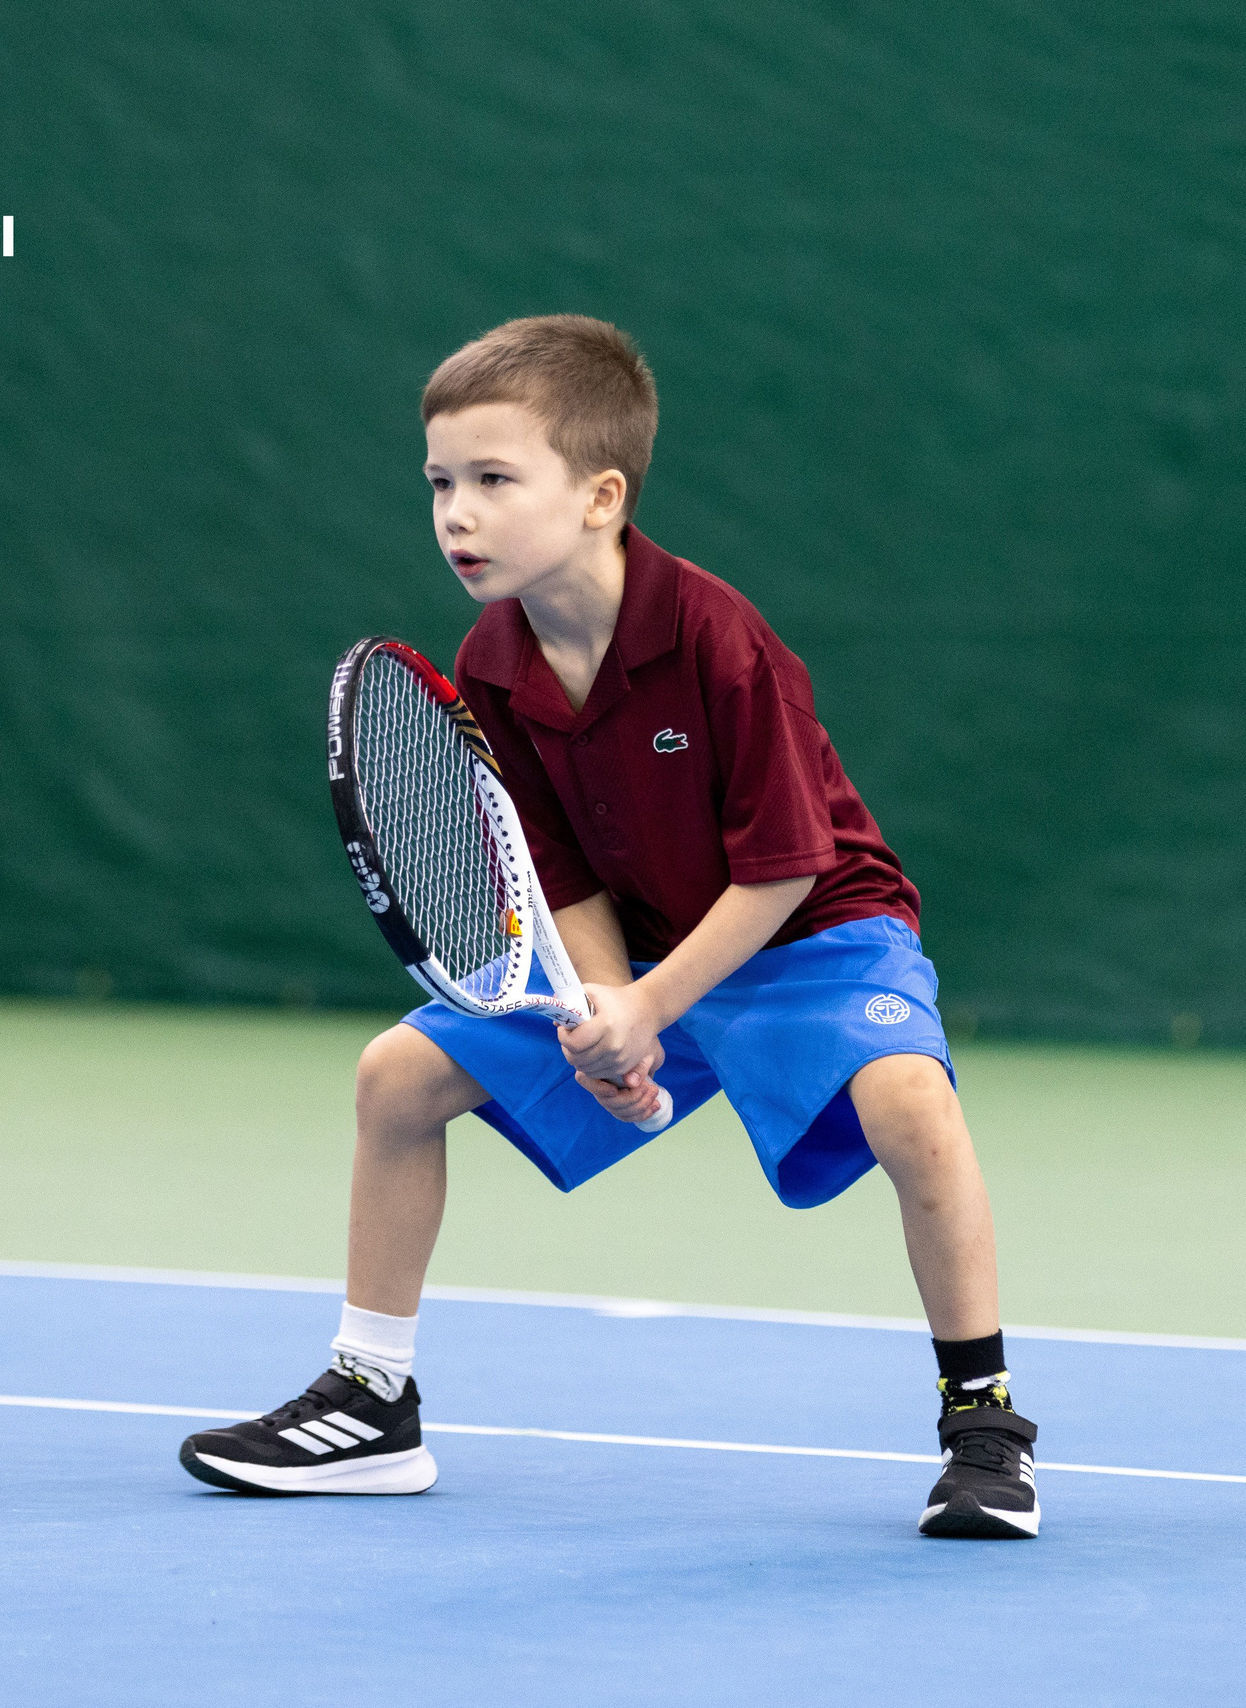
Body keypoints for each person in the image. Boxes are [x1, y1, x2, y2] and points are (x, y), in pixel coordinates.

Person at [179, 315, 1037, 1538]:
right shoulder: (491, 662)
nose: (454, 514)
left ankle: (985, 1426)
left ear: (599, 496)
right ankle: (371, 1400)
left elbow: (785, 870)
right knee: (396, 1077)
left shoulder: (717, 640)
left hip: (808, 935)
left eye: (491, 480)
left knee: (913, 1104)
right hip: (636, 947)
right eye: (438, 484)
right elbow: (560, 868)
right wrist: (601, 1012)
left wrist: (650, 1007)